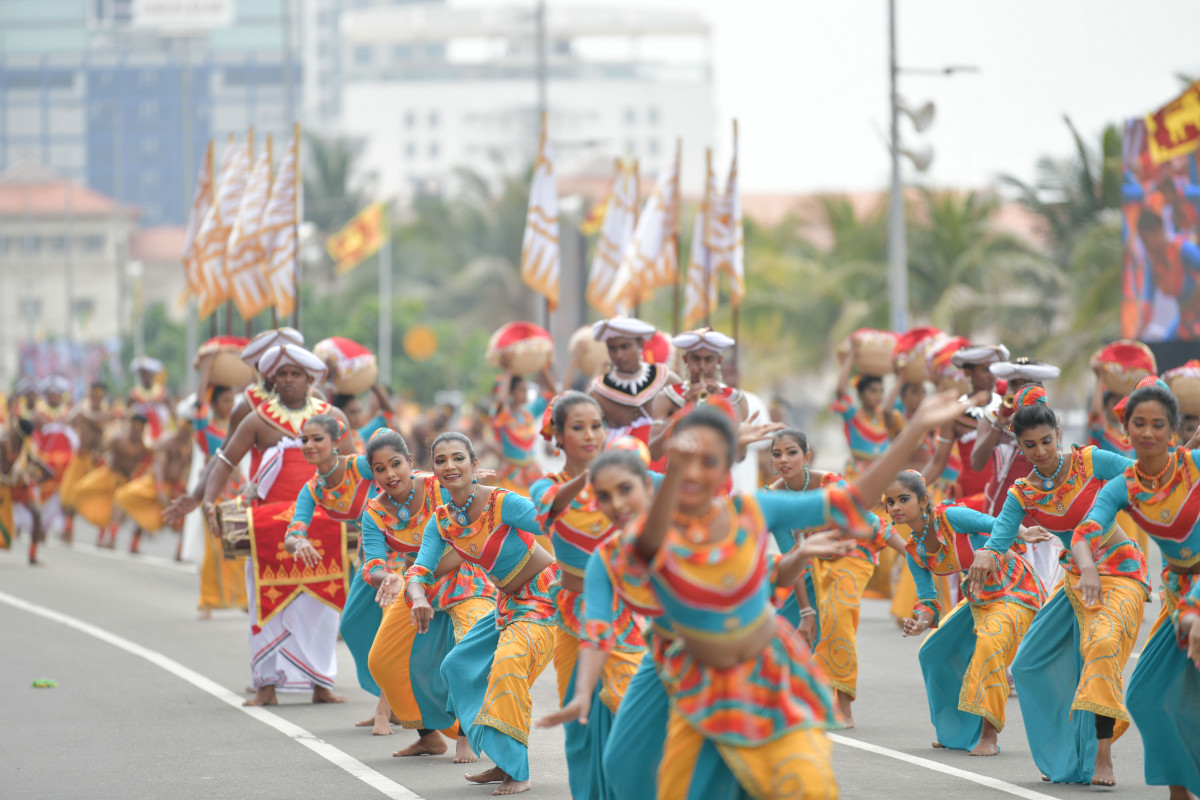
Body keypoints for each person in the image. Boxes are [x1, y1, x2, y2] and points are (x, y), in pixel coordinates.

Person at [624, 391, 975, 799]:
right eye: (687, 460)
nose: (696, 472)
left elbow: (851, 502)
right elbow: (637, 506)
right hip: (695, 686)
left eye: (710, 460)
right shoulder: (653, 528)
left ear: (728, 462)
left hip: (766, 682)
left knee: (801, 785)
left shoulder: (755, 509)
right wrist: (678, 433)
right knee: (633, 773)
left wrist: (915, 429)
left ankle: (839, 703)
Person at [968, 385, 1146, 787]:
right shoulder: (1023, 492)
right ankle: (1065, 753)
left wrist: (1186, 452)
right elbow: (1000, 537)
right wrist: (987, 554)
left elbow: (1144, 475)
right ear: (1019, 446)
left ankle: (1102, 756)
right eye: (1029, 445)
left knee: (1102, 644)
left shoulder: (1090, 462)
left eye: (1046, 441)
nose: (1041, 451)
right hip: (1077, 578)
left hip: (1119, 569)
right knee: (1027, 663)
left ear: (1059, 432)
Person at [166, 344, 354, 708]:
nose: (288, 380)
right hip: (268, 525)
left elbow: (352, 464)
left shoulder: (332, 417)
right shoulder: (256, 419)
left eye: (295, 374)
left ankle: (320, 684)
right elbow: (224, 459)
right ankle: (266, 685)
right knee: (266, 605)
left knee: (321, 606)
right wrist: (204, 499)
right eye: (282, 374)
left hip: (322, 522)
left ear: (310, 379)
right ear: (272, 378)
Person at [404, 432, 558, 796]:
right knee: (457, 666)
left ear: (474, 465)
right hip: (508, 604)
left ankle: (517, 771)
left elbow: (554, 524)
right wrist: (418, 597)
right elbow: (420, 571)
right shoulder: (442, 521)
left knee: (508, 663)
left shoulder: (503, 503)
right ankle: (501, 758)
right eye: (440, 460)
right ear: (433, 471)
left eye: (458, 458)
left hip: (543, 597)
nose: (449, 466)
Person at [1072, 378, 1200, 799]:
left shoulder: (1194, 466)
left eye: (1158, 424)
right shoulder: (1123, 487)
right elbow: (1085, 532)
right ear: (1124, 429)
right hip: (1179, 590)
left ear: (1174, 430)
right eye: (1138, 423)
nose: (1148, 432)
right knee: (1146, 695)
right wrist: (1088, 568)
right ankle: (1180, 792)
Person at [531, 394, 646, 800]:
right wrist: (590, 476)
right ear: (558, 436)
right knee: (579, 722)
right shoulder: (546, 485)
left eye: (597, 425)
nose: (590, 435)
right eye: (577, 427)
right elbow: (548, 509)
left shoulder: (623, 482)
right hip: (571, 617)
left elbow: (673, 492)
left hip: (624, 615)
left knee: (631, 712)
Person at [885, 470, 1047, 757]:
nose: (896, 507)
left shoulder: (949, 516)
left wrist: (1023, 532)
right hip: (978, 595)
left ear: (923, 501)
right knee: (933, 652)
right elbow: (928, 600)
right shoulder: (914, 551)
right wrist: (920, 623)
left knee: (990, 644)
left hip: (1015, 587)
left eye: (903, 499)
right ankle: (956, 731)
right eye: (890, 502)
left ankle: (988, 735)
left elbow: (994, 523)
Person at [361, 428, 497, 761]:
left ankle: (466, 734)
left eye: (396, 463)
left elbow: (474, 517)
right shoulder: (374, 512)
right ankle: (428, 736)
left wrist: (470, 478)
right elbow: (372, 564)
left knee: (468, 654)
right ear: (373, 473)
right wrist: (388, 578)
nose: (390, 474)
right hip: (415, 586)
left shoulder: (439, 486)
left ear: (410, 461)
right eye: (380, 469)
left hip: (466, 579)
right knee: (382, 661)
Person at [767, 428, 906, 728]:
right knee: (782, 632)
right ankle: (792, 702)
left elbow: (870, 522)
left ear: (807, 456)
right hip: (813, 562)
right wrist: (805, 612)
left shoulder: (831, 484)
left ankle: (843, 705)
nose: (783, 459)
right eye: (777, 454)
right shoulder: (772, 498)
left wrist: (911, 553)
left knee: (837, 612)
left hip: (852, 553)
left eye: (791, 452)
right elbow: (791, 555)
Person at [285, 413, 392, 730]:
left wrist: (452, 482)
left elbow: (403, 473)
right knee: (353, 626)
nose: (309, 445)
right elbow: (293, 531)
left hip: (402, 549)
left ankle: (386, 710)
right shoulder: (313, 489)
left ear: (336, 441)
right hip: (370, 556)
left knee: (390, 628)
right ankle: (393, 698)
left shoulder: (359, 466)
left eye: (317, 438)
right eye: (304, 439)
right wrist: (299, 541)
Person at [190, 384, 248, 616]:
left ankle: (243, 598)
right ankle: (207, 600)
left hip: (236, 490)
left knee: (241, 544)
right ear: (214, 403)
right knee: (215, 548)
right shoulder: (206, 428)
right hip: (213, 491)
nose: (230, 405)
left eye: (232, 401)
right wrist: (208, 371)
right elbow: (199, 406)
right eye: (225, 400)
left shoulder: (239, 427)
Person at [114, 399, 194, 556]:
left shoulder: (191, 445)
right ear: (180, 423)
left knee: (188, 516)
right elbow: (159, 466)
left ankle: (180, 552)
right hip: (156, 483)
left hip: (176, 486)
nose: (188, 429)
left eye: (192, 425)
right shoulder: (167, 441)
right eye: (187, 424)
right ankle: (118, 539)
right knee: (128, 499)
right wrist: (159, 489)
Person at [587, 317, 674, 447]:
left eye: (625, 347)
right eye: (612, 348)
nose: (618, 355)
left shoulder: (666, 379)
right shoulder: (597, 392)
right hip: (618, 458)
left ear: (640, 344)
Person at [73, 414, 151, 549]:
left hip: (126, 482)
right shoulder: (117, 440)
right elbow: (100, 451)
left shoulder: (145, 449)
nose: (136, 431)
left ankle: (114, 540)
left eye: (139, 429)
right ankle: (101, 537)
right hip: (109, 477)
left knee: (121, 508)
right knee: (94, 500)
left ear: (143, 430)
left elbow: (145, 467)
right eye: (134, 428)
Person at [490, 366, 556, 494]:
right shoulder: (502, 416)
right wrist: (508, 369)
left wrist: (543, 367)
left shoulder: (528, 412)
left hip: (532, 473)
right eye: (522, 390)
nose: (526, 393)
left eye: (526, 390)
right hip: (511, 474)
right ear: (511, 393)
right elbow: (500, 402)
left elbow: (553, 394)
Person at [127, 356, 171, 442]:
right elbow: (127, 411)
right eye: (142, 374)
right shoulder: (134, 394)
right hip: (141, 434)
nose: (144, 377)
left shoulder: (162, 392)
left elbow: (171, 410)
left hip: (161, 431)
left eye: (146, 374)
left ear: (152, 375)